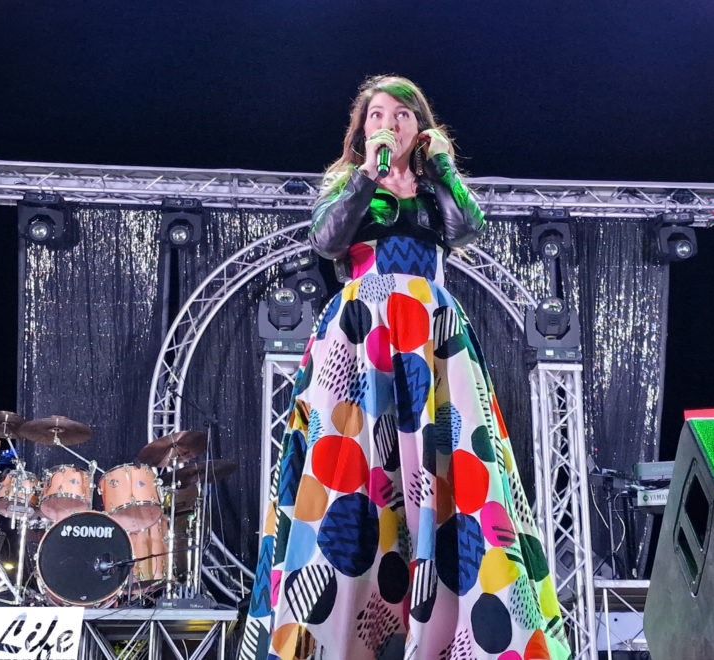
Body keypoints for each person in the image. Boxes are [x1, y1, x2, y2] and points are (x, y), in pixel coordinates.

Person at [239, 75, 569, 660]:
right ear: (362, 129)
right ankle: (339, 625)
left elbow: (467, 229)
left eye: (402, 114)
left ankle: (453, 629)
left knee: (443, 465)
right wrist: (367, 175)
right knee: (351, 469)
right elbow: (327, 242)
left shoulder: (435, 187)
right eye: (377, 115)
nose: (388, 123)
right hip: (360, 333)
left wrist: (442, 170)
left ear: (420, 128)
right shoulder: (349, 183)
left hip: (429, 334)